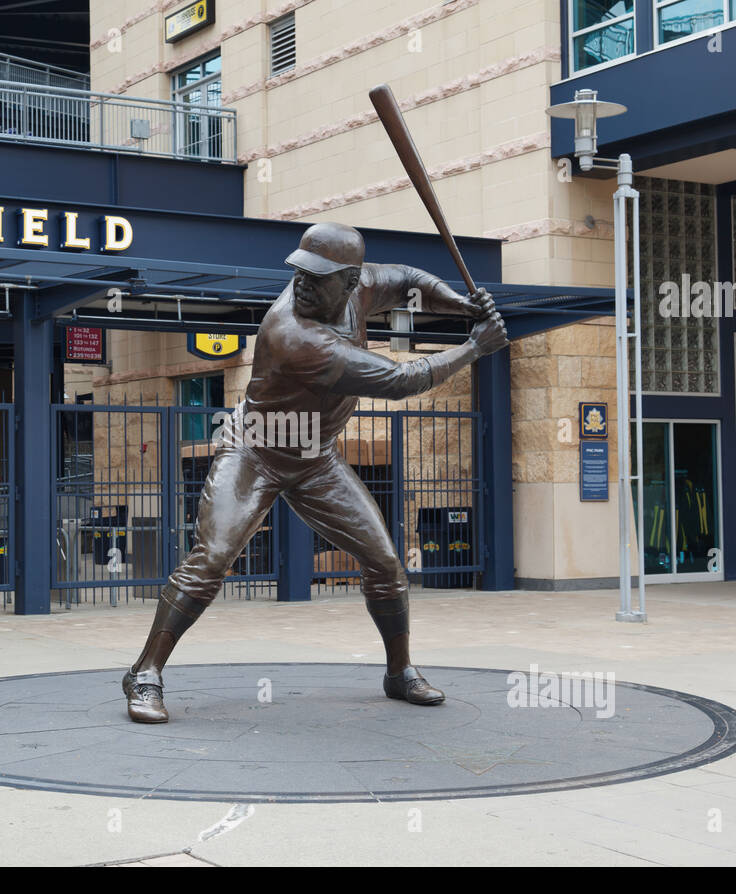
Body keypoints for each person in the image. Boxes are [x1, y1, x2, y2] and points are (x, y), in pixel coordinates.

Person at [123, 222, 508, 722]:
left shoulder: (361, 285)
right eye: (300, 271)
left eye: (317, 276)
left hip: (314, 455)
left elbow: (411, 279)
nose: (302, 282)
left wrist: (461, 304)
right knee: (213, 557)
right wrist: (476, 346)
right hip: (255, 450)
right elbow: (398, 380)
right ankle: (145, 672)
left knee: (386, 562)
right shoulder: (293, 334)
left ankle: (399, 672)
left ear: (349, 282)